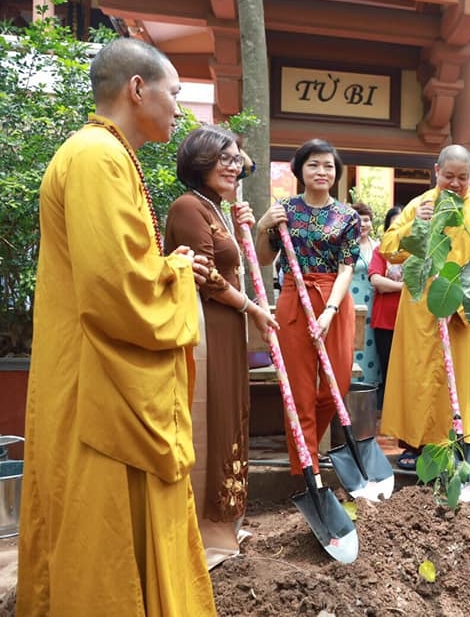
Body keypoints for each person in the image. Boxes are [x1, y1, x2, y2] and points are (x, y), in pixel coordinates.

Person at [17, 38, 217, 615]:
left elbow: (121, 266)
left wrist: (168, 269)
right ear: (137, 89)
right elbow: (116, 289)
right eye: (175, 93)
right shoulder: (95, 157)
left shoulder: (108, 156)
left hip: (97, 372)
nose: (181, 109)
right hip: (96, 382)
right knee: (100, 523)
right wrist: (177, 271)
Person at [164, 125, 277, 569]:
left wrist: (251, 225)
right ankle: (201, 528)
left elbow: (244, 263)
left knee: (232, 413)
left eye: (237, 159)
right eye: (224, 158)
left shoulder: (217, 207)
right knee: (208, 416)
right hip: (206, 326)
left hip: (229, 325)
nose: (234, 166)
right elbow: (207, 277)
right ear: (200, 161)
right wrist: (252, 308)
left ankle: (226, 522)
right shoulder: (187, 207)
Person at [379, 145, 470, 469]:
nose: (456, 183)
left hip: (459, 310)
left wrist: (456, 299)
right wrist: (416, 224)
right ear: (436, 171)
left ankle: (455, 444)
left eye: (463, 177)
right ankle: (414, 446)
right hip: (420, 311)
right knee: (418, 377)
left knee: (457, 378)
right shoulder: (420, 205)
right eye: (449, 176)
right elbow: (390, 249)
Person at [255, 138, 359, 479]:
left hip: (334, 299)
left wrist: (329, 310)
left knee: (336, 386)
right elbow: (264, 259)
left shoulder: (348, 217)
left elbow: (347, 268)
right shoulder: (285, 211)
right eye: (313, 164)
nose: (321, 171)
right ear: (299, 169)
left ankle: (308, 438)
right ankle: (307, 469)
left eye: (328, 165)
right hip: (294, 298)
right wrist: (262, 227)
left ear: (336, 173)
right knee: (298, 388)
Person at [368, 205, 404, 411]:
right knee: (388, 368)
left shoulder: (418, 251)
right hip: (385, 319)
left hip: (411, 318)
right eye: (395, 223)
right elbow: (377, 281)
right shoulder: (381, 249)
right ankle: (389, 413)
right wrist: (405, 287)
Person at [350, 202, 381, 388]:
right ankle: (349, 384)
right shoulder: (344, 244)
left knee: (371, 346)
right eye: (358, 220)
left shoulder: (378, 246)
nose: (363, 224)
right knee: (351, 342)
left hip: (373, 303)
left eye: (366, 220)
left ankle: (369, 389)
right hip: (350, 300)